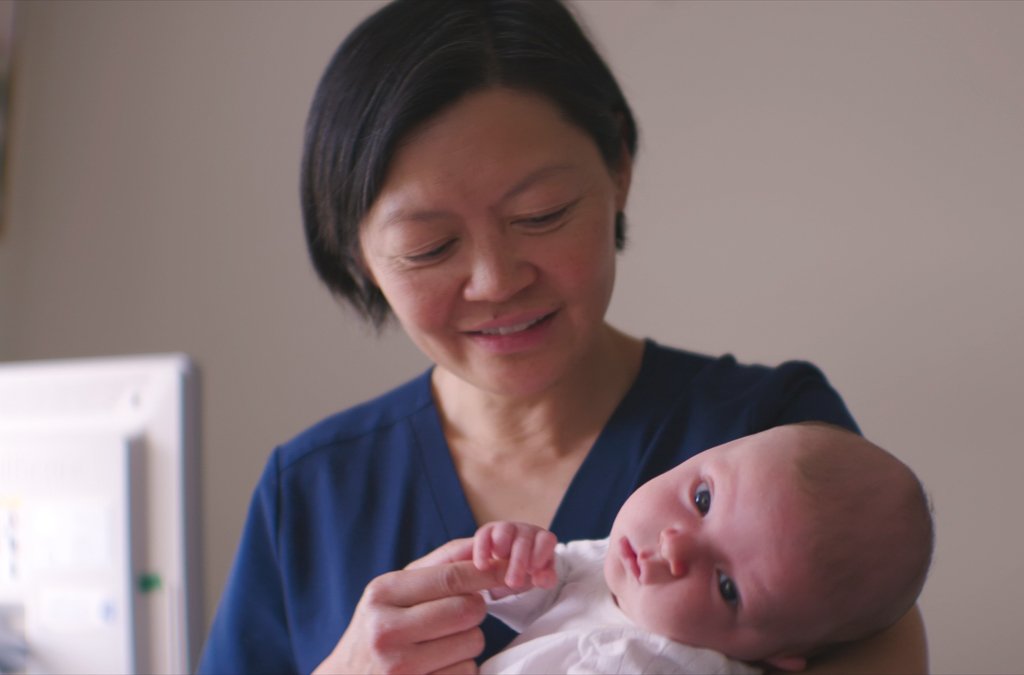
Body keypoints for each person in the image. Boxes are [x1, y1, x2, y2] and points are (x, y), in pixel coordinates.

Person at [198, 1, 929, 673]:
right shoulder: (311, 495)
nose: (496, 280)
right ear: (358, 253)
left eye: (542, 214)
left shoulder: (772, 433)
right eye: (429, 247)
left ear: (617, 167)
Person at [449, 424, 933, 674]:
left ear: (777, 654)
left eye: (727, 588)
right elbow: (549, 585)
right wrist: (512, 561)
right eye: (702, 499)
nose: (675, 545)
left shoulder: (650, 663)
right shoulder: (619, 566)